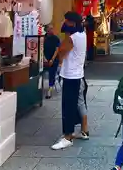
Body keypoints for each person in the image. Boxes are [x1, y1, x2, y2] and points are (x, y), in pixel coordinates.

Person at [51, 12, 90, 150]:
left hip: (70, 76)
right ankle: (84, 130)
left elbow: (61, 50)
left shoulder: (72, 38)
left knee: (68, 107)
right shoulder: (82, 34)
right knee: (79, 103)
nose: (64, 23)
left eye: (66, 21)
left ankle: (68, 136)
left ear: (72, 23)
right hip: (78, 75)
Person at [43, 25, 61, 99]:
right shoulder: (43, 38)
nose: (51, 30)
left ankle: (50, 90)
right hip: (44, 59)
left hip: (53, 59)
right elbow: (41, 49)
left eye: (52, 28)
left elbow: (57, 50)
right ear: (46, 30)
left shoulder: (56, 38)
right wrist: (44, 58)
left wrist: (52, 59)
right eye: (50, 29)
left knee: (52, 73)